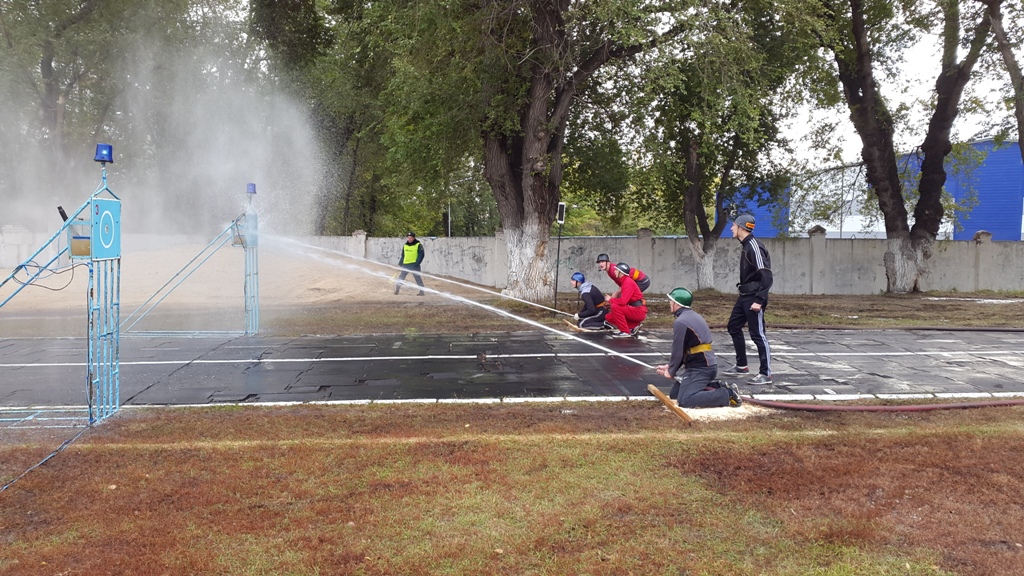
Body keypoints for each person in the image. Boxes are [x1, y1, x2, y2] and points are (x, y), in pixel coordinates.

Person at [655, 287, 742, 408]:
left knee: (685, 400)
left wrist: (671, 371)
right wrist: (670, 367)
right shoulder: (692, 316)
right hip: (703, 365)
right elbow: (685, 349)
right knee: (675, 394)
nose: (669, 303)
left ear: (676, 303)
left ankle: (727, 394)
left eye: (671, 301)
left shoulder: (681, 322)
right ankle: (719, 386)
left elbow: (678, 350)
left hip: (701, 368)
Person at [725, 214, 773, 384]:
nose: (731, 228)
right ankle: (741, 365)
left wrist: (759, 300)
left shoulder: (754, 246)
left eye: (733, 225)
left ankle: (765, 373)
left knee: (758, 334)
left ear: (741, 227)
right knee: (733, 326)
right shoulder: (746, 246)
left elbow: (766, 276)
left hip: (753, 297)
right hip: (744, 296)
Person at [604, 263, 648, 338]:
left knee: (615, 307)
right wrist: (610, 303)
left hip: (639, 311)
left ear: (621, 273)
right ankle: (632, 327)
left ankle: (625, 331)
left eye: (616, 270)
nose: (614, 271)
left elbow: (623, 302)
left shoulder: (628, 282)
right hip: (634, 309)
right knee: (609, 317)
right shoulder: (625, 282)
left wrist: (611, 300)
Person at [395, 231, 425, 296]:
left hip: (414, 265)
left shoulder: (418, 245)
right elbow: (403, 256)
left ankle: (422, 291)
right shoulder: (405, 245)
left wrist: (416, 264)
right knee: (401, 277)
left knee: (417, 278)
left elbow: (421, 255)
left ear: (414, 238)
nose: (409, 239)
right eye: (408, 238)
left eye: (411, 238)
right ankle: (397, 290)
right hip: (406, 264)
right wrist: (400, 264)